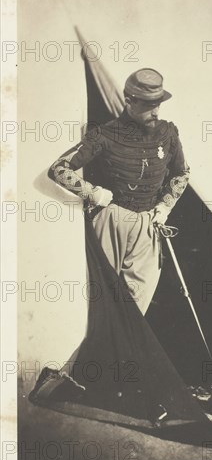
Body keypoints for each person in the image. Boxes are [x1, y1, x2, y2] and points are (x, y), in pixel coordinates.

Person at [49, 68, 190, 315]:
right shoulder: (105, 134)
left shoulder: (167, 133)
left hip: (148, 225)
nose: (155, 111)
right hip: (112, 221)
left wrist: (166, 203)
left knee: (137, 304)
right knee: (101, 300)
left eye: (158, 104)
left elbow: (182, 173)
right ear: (129, 102)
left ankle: (124, 354)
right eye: (148, 105)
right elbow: (59, 169)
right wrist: (93, 193)